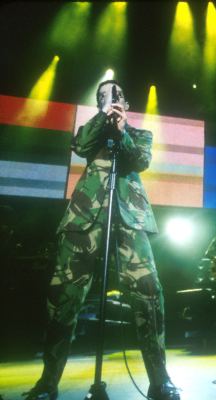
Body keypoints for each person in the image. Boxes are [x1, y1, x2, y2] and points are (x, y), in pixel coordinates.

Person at [24, 80, 179, 400]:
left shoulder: (139, 135)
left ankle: (159, 380)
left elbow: (139, 161)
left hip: (130, 220)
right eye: (104, 97)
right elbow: (81, 147)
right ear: (98, 105)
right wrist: (102, 117)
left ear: (128, 103)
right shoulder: (90, 131)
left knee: (149, 295)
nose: (112, 100)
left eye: (118, 95)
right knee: (62, 300)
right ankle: (47, 383)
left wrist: (121, 131)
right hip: (83, 220)